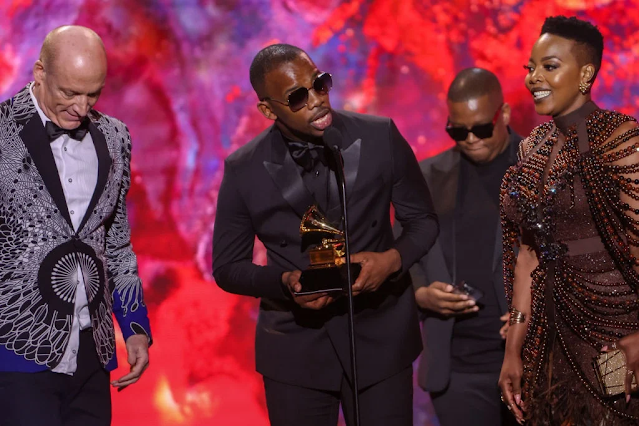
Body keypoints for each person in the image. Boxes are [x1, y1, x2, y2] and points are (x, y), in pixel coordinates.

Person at [212, 43, 438, 426]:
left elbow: (424, 221)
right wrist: (284, 282)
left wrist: (391, 261)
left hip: (380, 336)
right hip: (296, 350)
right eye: (297, 97)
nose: (317, 100)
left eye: (320, 84)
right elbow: (227, 267)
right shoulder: (244, 169)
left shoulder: (379, 135)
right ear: (268, 110)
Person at [0, 26, 152, 425]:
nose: (82, 108)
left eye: (93, 94)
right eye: (69, 92)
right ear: (40, 72)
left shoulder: (115, 137)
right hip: (15, 351)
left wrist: (134, 326)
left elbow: (116, 243)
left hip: (92, 353)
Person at [499, 16, 639, 425]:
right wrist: (513, 350)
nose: (534, 78)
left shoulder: (619, 138)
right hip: (547, 343)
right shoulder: (533, 147)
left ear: (586, 74)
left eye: (550, 66)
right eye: (530, 67)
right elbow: (528, 255)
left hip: (613, 338)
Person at [402, 68, 520, 426]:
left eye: (481, 129)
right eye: (457, 131)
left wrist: (535, 312)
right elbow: (402, 254)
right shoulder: (427, 176)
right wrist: (420, 294)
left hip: (530, 360)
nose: (470, 139)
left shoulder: (542, 167)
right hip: (456, 369)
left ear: (504, 114)